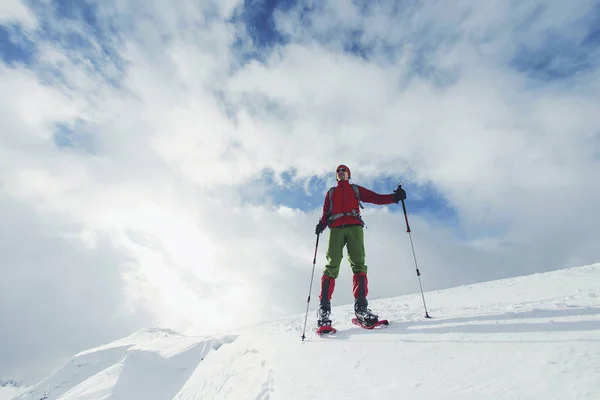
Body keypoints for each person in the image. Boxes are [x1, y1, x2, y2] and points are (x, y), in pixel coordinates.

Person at [315, 164, 406, 327]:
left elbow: (376, 198)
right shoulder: (331, 193)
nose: (341, 173)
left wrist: (395, 198)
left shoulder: (355, 189)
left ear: (348, 175)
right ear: (336, 176)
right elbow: (325, 213)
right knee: (331, 265)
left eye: (344, 171)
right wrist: (321, 225)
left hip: (354, 227)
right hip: (335, 229)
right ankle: (324, 311)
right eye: (338, 172)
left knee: (359, 265)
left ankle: (361, 309)